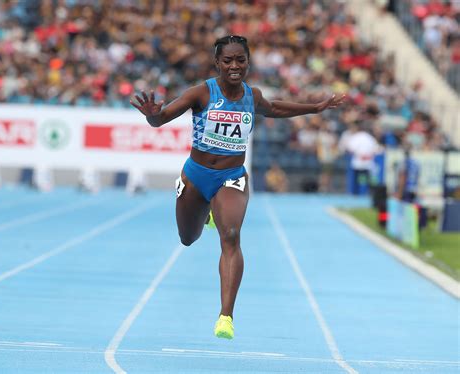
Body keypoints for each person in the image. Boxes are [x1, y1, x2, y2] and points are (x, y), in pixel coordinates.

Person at [131, 35, 345, 339]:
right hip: (196, 175)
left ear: (248, 62)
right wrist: (153, 116)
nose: (234, 66)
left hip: (231, 177)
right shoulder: (202, 93)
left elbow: (275, 108)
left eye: (240, 60)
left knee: (230, 235)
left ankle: (225, 317)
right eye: (228, 60)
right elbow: (161, 118)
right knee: (187, 238)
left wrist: (314, 108)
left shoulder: (251, 96)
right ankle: (204, 210)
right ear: (218, 63)